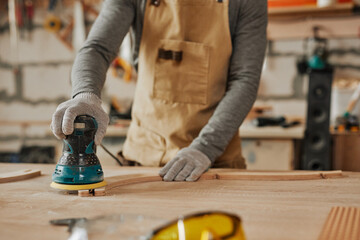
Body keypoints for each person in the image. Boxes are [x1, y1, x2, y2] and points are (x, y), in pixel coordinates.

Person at [51, 0, 267, 182]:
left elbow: (244, 80)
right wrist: (85, 94)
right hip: (143, 159)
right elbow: (97, 48)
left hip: (214, 164)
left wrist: (205, 148)